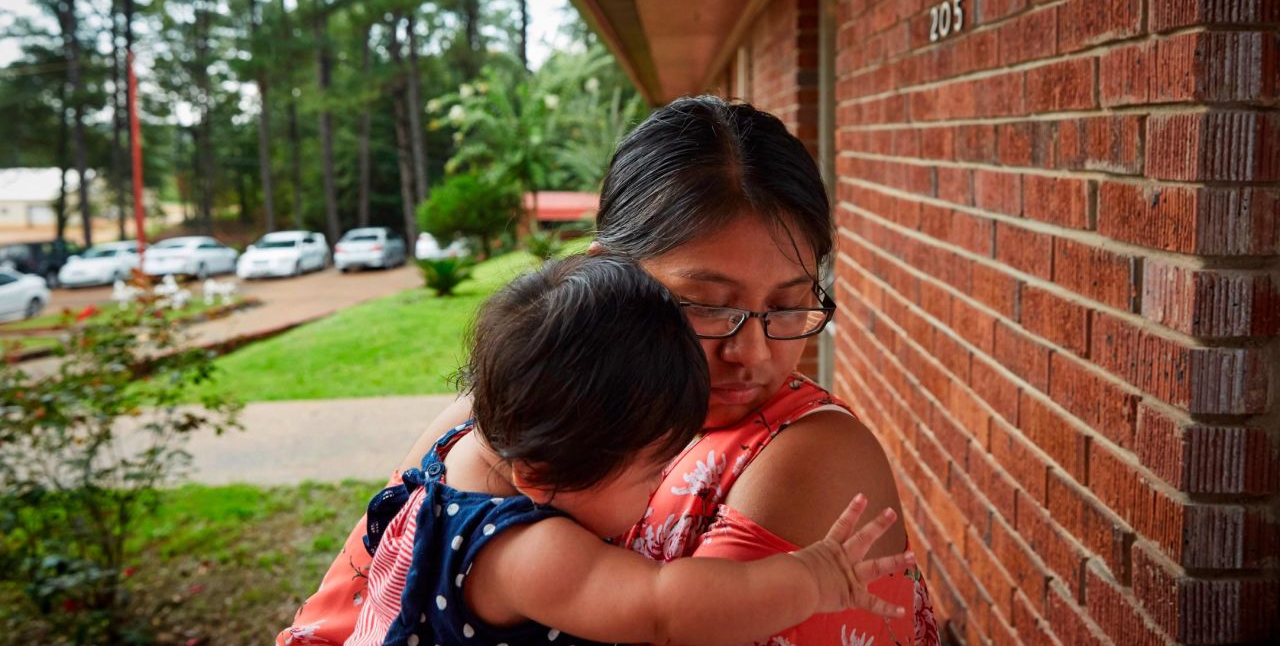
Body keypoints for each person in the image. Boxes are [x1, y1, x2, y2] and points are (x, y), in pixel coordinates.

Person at [278, 96, 939, 645]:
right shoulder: (507, 421)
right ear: (605, 278)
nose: (754, 355)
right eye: (706, 305)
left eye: (788, 306)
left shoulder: (802, 457)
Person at [343, 255, 912, 645]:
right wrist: (810, 580)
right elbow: (666, 608)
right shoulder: (528, 553)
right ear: (539, 474)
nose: (659, 487)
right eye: (652, 474)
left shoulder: (457, 453)